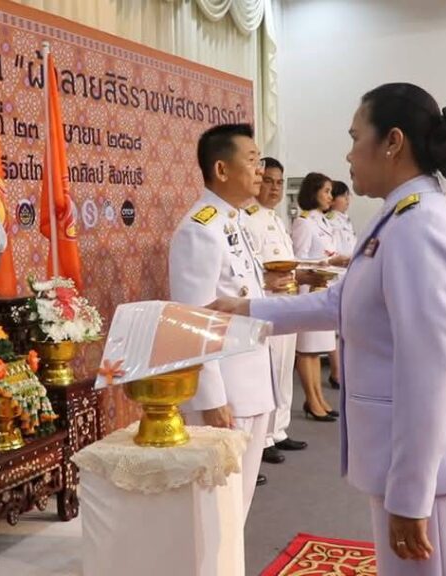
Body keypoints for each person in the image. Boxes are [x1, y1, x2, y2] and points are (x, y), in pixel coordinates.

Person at [210, 83, 446, 575]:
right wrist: (243, 309)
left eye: (355, 138)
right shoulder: (399, 215)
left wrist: (411, 494)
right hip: (415, 458)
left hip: (434, 468)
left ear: (392, 142)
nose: (348, 155)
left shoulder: (419, 226)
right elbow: (341, 302)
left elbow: (430, 372)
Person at [168, 123, 290, 512]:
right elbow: (194, 320)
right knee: (217, 509)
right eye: (252, 160)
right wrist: (211, 397)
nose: (260, 170)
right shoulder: (200, 229)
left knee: (238, 505)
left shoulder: (233, 220)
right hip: (228, 394)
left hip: (252, 386)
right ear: (221, 169)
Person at [244, 157, 309, 466]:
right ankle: (265, 437)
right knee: (269, 370)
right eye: (268, 181)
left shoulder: (277, 219)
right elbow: (249, 268)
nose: (274, 188)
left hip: (287, 301)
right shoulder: (248, 219)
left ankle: (280, 429)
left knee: (284, 369)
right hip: (267, 303)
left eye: (279, 182)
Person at [291, 172, 345, 421]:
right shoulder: (303, 222)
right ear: (313, 192)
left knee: (317, 350)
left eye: (330, 192)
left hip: (324, 288)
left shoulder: (323, 221)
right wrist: (323, 264)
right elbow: (297, 259)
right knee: (307, 350)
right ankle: (312, 401)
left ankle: (319, 399)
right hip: (309, 290)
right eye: (326, 191)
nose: (330, 196)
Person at [325, 179, 356, 389]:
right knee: (334, 330)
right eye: (343, 196)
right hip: (336, 276)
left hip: (347, 275)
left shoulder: (345, 221)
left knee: (343, 328)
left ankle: (342, 370)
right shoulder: (331, 221)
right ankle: (336, 372)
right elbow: (333, 251)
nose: (347, 200)